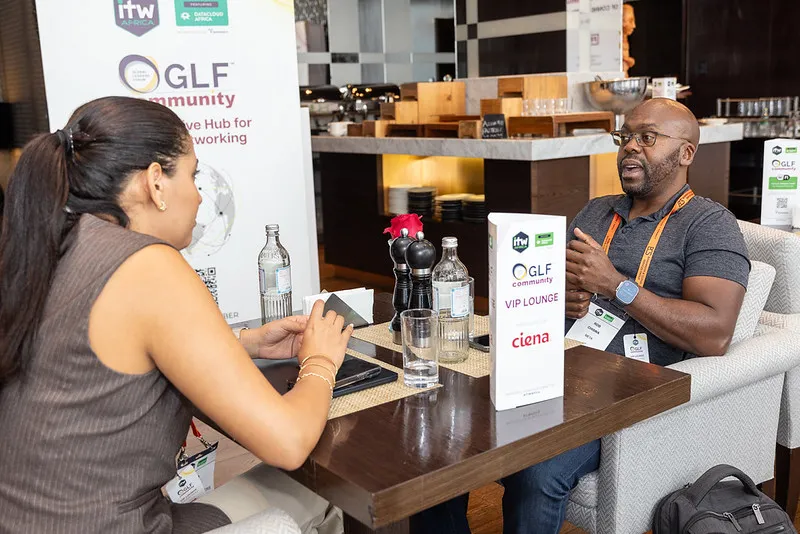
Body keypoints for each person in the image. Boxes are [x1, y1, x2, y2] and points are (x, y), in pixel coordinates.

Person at [0, 96, 352, 533]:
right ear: (155, 182)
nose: (201, 196)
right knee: (325, 496)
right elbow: (289, 442)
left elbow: (98, 359)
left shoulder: (48, 244)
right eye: (193, 175)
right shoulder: (148, 265)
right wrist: (321, 361)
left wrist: (245, 343)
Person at [412, 98, 750, 534]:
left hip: (630, 389)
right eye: (624, 137)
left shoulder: (708, 223)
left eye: (647, 138)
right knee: (445, 431)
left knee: (534, 472)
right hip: (557, 366)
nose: (630, 147)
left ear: (685, 154)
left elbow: (715, 333)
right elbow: (550, 287)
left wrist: (617, 286)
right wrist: (558, 299)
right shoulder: (597, 211)